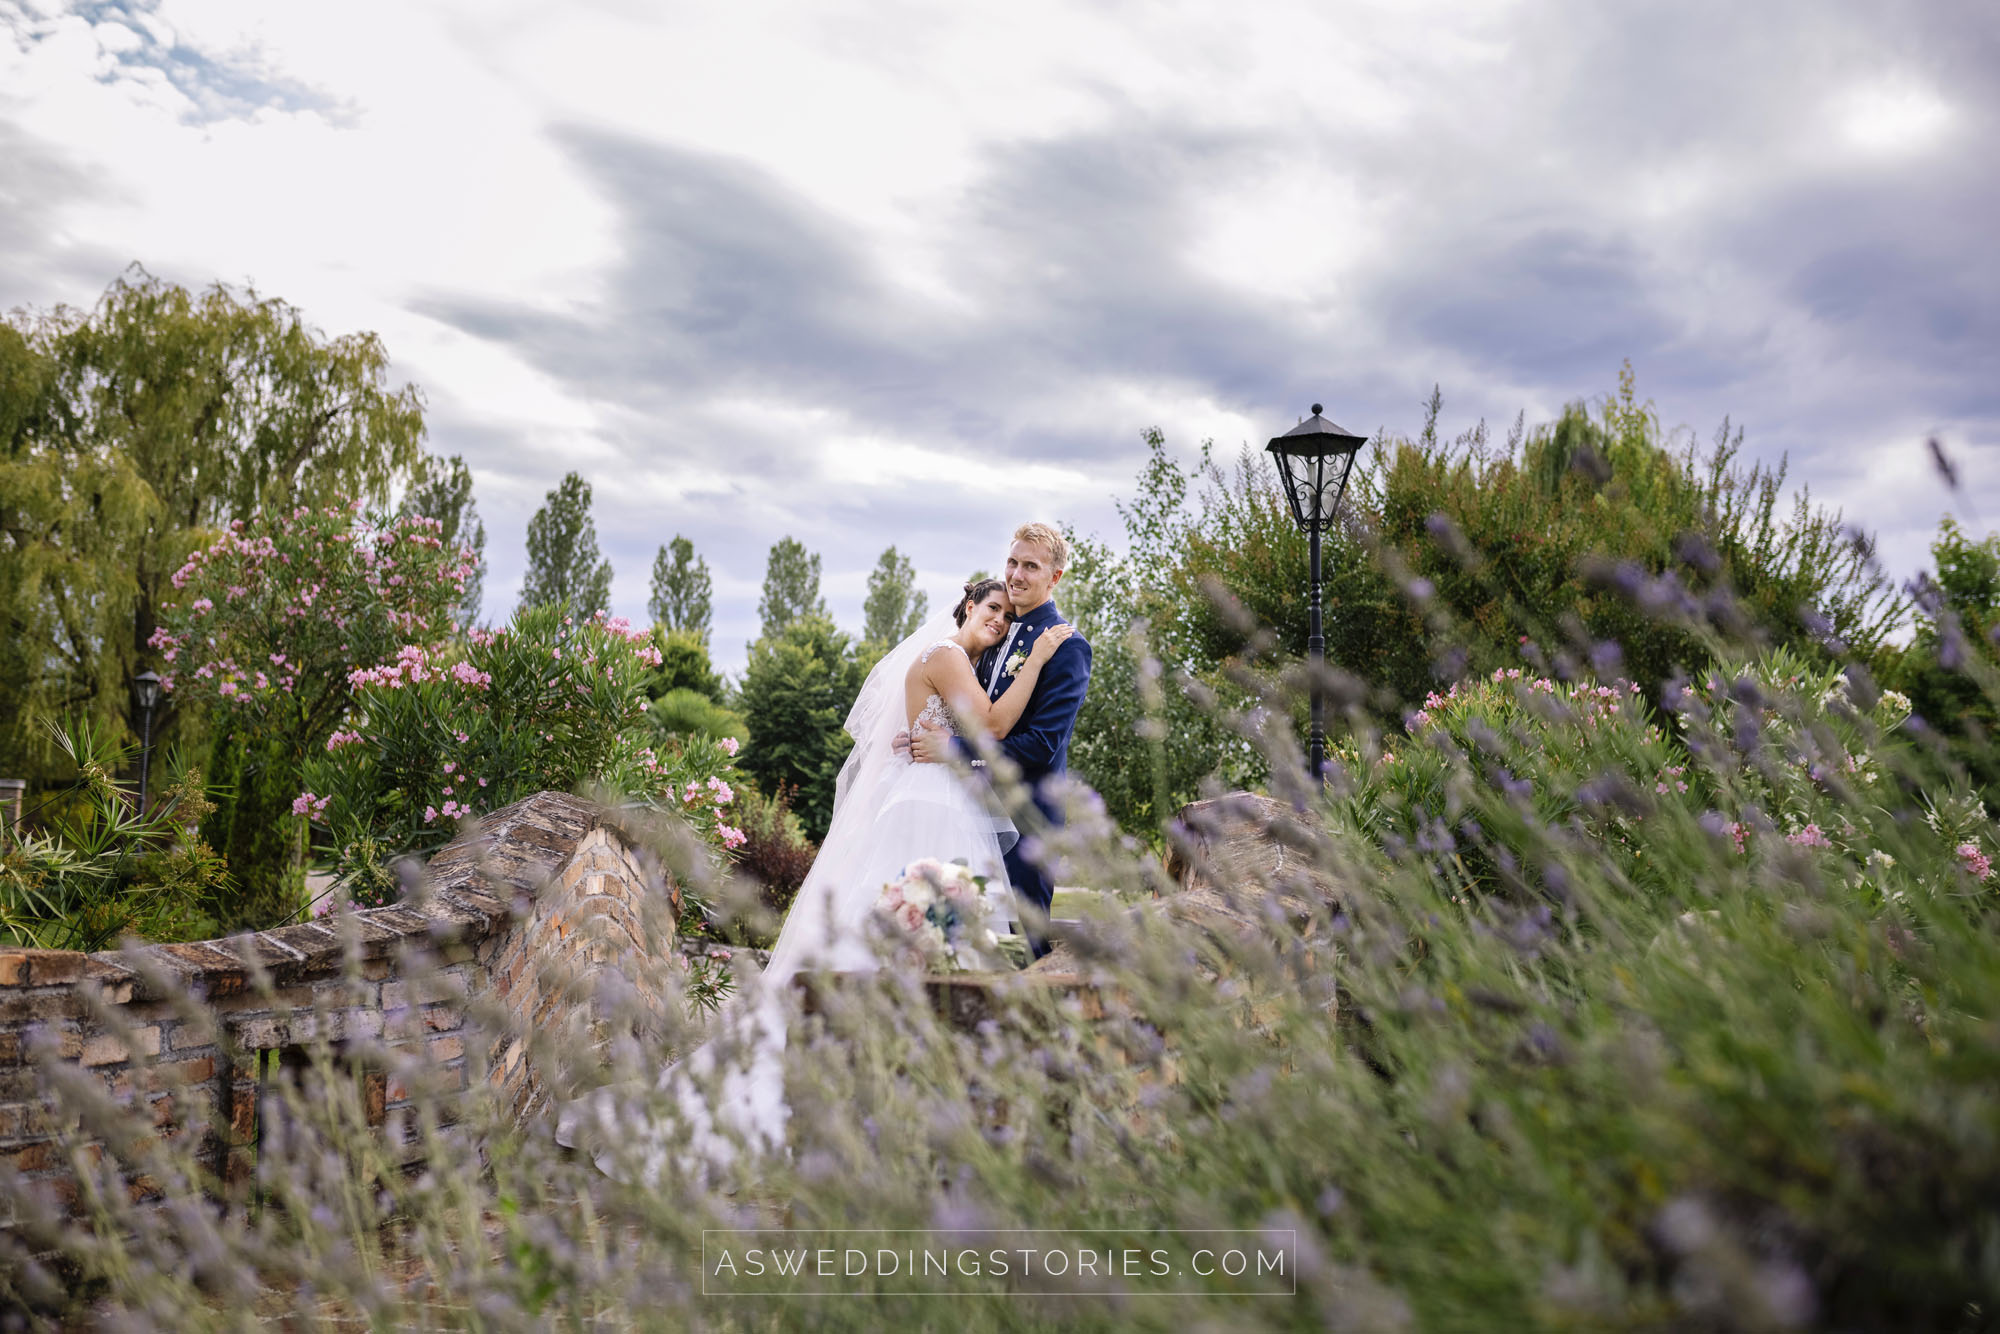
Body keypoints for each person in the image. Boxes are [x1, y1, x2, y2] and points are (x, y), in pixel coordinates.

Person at [556, 575, 1072, 1177]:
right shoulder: (949, 655)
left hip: (939, 796)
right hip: (928, 805)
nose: (1000, 621)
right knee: (911, 933)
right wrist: (1039, 656)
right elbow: (993, 726)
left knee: (927, 937)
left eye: (1008, 616)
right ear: (966, 606)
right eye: (992, 608)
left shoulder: (966, 663)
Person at [906, 523, 1093, 959]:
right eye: (1012, 562)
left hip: (1025, 824)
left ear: (1055, 577)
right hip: (967, 819)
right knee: (960, 943)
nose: (1016, 575)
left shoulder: (1066, 647)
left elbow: (1042, 744)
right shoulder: (995, 634)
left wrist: (954, 751)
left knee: (1022, 949)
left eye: (1031, 566)